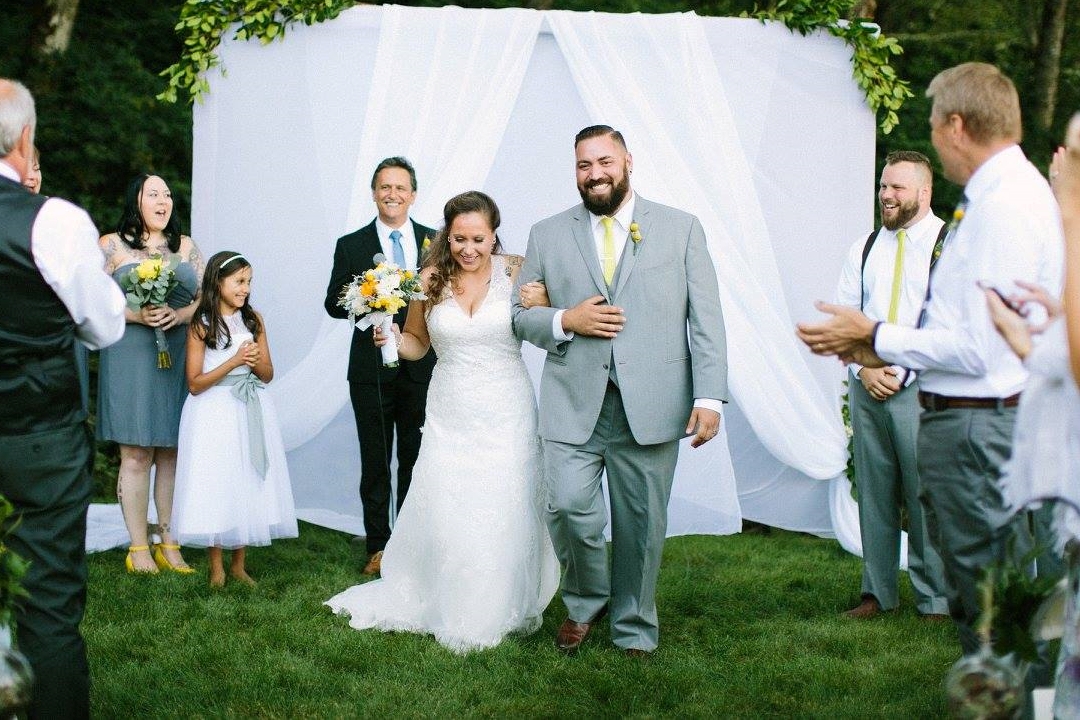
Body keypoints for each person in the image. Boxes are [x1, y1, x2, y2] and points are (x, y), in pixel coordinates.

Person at [796, 63, 1063, 654]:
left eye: (936, 124)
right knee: (988, 601)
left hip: (975, 417)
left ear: (956, 126)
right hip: (932, 402)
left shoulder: (1003, 208)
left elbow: (981, 344)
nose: (936, 140)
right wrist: (865, 357)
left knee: (995, 603)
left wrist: (877, 337)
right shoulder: (988, 202)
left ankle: (1003, 668)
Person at [511, 125, 728, 655]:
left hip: (652, 402)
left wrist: (708, 397)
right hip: (572, 400)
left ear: (628, 161)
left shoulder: (681, 228)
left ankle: (634, 624)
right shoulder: (547, 233)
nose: (595, 174)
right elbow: (519, 316)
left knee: (642, 523)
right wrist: (565, 319)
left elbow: (706, 318)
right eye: (584, 165)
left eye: (604, 162)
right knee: (567, 507)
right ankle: (586, 602)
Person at [326, 191, 559, 652]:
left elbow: (548, 324)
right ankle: (448, 595)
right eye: (458, 239)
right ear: (445, 236)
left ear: (494, 235)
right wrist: (394, 338)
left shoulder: (517, 271)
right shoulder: (429, 279)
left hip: (506, 406)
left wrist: (545, 300)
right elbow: (418, 343)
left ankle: (499, 600)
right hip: (450, 408)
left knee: (504, 500)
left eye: (478, 239)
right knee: (450, 501)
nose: (468, 249)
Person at [0, 77, 125, 719]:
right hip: (37, 438)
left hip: (37, 437)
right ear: (24, 139)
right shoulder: (53, 221)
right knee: (45, 605)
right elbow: (104, 328)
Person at [835, 150, 950, 621]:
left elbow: (948, 322)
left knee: (926, 495)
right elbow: (846, 316)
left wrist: (901, 372)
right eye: (884, 186)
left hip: (925, 389)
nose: (886, 195)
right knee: (874, 491)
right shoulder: (865, 247)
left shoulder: (948, 246)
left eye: (897, 187)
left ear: (924, 191)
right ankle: (876, 592)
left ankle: (935, 598)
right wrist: (864, 370)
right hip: (867, 385)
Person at [324, 157, 436, 576]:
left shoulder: (434, 242)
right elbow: (333, 303)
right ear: (374, 193)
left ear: (413, 195)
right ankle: (377, 545)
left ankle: (407, 544)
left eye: (400, 187)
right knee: (375, 460)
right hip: (369, 369)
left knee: (414, 458)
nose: (393, 194)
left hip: (421, 367)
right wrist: (367, 302)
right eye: (385, 187)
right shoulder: (350, 244)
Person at [97, 174, 204, 574]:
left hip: (175, 350)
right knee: (137, 452)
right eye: (154, 194)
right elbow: (93, 299)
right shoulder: (111, 245)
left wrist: (180, 314)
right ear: (136, 201)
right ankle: (138, 546)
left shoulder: (186, 247)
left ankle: (169, 542)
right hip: (129, 351)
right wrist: (135, 315)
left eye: (168, 194)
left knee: (172, 450)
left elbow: (205, 298)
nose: (164, 201)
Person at [172, 251, 298, 587]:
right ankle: (216, 566)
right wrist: (234, 361)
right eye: (239, 281)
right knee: (217, 479)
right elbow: (194, 383)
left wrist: (254, 363)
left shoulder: (254, 320)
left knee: (244, 478)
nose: (245, 288)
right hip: (213, 410)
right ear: (218, 282)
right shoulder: (202, 324)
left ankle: (239, 564)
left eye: (249, 281)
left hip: (249, 406)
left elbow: (268, 373)